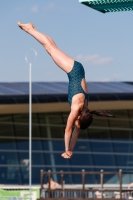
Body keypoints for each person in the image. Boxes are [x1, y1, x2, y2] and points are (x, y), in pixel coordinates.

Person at [17, 22, 115, 159]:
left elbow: (76, 131)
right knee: (49, 48)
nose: (76, 124)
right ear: (79, 117)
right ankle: (29, 29)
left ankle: (32, 29)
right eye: (77, 122)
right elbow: (68, 129)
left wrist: (71, 150)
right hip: (73, 70)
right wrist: (66, 149)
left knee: (52, 47)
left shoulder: (84, 110)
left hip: (78, 70)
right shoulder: (76, 109)